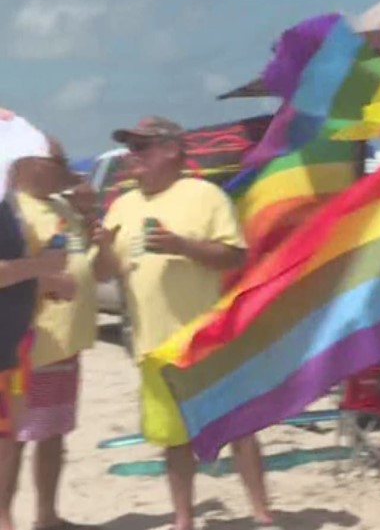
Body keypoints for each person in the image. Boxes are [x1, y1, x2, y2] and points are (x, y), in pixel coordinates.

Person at [96, 117, 273, 530]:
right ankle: (183, 519)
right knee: (173, 438)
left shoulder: (204, 196)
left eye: (140, 147)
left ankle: (262, 513)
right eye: (129, 148)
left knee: (239, 428)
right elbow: (106, 273)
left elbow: (234, 256)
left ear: (171, 149)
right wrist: (102, 249)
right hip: (151, 345)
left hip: (206, 338)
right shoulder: (123, 204)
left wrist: (180, 245)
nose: (131, 156)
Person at [1, 137, 107, 530]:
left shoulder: (63, 206)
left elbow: (91, 265)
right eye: (58, 160)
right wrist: (45, 280)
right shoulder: (11, 209)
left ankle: (47, 516)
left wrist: (91, 217)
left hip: (65, 343)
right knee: (12, 438)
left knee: (53, 432)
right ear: (29, 164)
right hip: (26, 342)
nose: (66, 167)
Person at [0, 115, 71, 530]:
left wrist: (41, 276)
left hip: (13, 341)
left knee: (9, 438)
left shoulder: (8, 205)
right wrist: (42, 266)